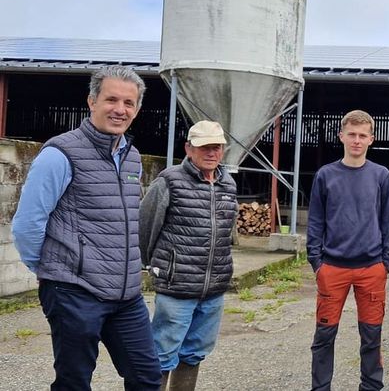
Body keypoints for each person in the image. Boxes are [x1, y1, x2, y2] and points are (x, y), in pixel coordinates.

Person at [11, 66, 162, 390]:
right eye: (111, 99)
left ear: (136, 109)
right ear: (91, 101)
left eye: (128, 103)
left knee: (147, 377)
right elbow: (27, 225)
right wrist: (54, 271)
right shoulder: (60, 154)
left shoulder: (132, 157)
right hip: (74, 291)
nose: (119, 109)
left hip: (126, 294)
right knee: (74, 381)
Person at [140, 120, 238, 390]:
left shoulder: (228, 184)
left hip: (213, 288)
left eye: (216, 147)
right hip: (177, 285)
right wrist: (155, 266)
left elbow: (228, 232)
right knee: (162, 352)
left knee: (195, 351)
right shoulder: (169, 181)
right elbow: (146, 227)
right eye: (204, 147)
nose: (211, 153)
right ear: (189, 148)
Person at [307, 109, 389, 391]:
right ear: (341, 137)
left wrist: (386, 262)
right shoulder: (326, 175)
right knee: (324, 336)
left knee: (371, 335)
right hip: (332, 268)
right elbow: (315, 221)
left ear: (371, 139)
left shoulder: (381, 176)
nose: (357, 140)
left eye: (362, 136)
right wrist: (317, 262)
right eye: (352, 135)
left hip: (371, 268)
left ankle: (371, 386)